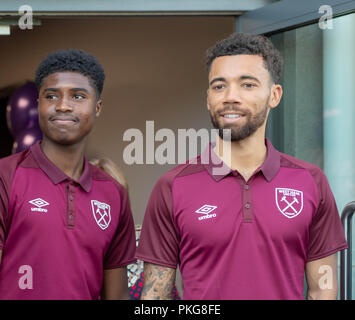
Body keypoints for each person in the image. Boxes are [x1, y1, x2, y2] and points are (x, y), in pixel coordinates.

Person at [136, 33, 348, 300]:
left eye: (247, 85)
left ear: (274, 95)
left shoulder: (311, 182)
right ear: (208, 98)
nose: (230, 97)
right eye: (219, 86)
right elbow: (155, 297)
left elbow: (323, 289)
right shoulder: (172, 186)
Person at [0, 49, 136, 299]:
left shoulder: (113, 194)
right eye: (51, 96)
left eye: (77, 96)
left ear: (97, 108)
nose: (63, 106)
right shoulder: (6, 176)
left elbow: (116, 296)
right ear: (39, 103)